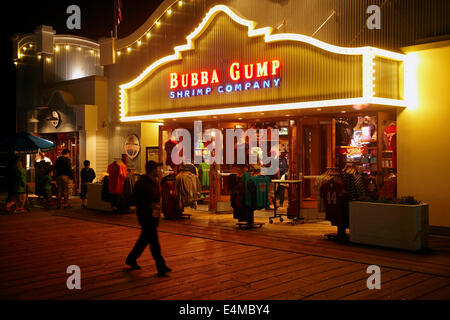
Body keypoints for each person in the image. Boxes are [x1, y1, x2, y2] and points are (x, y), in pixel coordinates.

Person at [126, 160, 171, 276]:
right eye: (157, 168)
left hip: (153, 216)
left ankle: (131, 258)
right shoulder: (142, 182)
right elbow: (135, 198)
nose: (159, 170)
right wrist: (148, 205)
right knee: (154, 242)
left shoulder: (154, 181)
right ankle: (161, 266)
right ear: (152, 170)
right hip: (146, 215)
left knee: (144, 240)